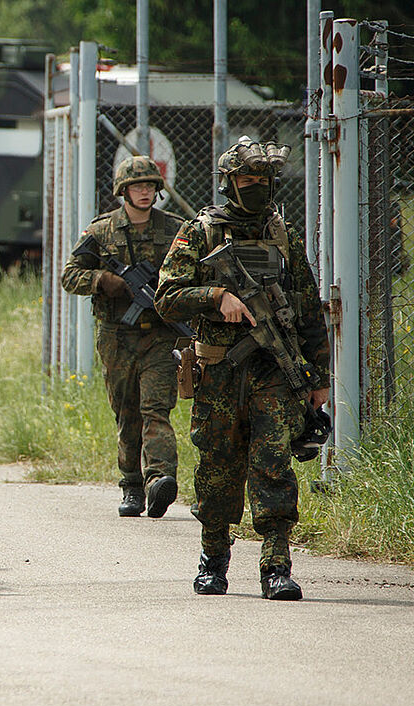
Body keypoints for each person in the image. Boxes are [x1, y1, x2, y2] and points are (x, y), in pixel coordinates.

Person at [155, 137, 330, 601]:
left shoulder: (283, 234)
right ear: (229, 182)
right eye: (248, 178)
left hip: (273, 371)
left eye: (264, 179)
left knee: (274, 466)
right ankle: (213, 561)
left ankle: (276, 566)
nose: (257, 186)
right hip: (219, 372)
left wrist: (320, 378)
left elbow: (308, 309)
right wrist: (217, 297)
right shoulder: (200, 232)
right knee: (218, 466)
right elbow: (166, 296)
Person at [61, 155, 186, 518]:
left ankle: (160, 479)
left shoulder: (175, 229)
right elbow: (70, 275)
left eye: (149, 186)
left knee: (156, 410)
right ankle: (132, 484)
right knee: (127, 414)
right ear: (123, 191)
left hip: (160, 337)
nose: (144, 192)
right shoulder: (102, 231)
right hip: (117, 337)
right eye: (137, 186)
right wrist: (103, 280)